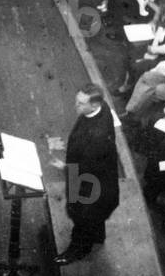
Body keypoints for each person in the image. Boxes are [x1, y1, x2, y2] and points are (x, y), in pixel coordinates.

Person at [50, 84, 119, 265]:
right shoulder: (102, 109)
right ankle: (97, 236)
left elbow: (88, 167)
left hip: (90, 183)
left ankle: (78, 249)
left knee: (81, 217)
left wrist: (64, 167)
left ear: (94, 105)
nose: (76, 105)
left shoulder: (98, 135)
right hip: (99, 176)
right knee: (94, 216)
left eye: (80, 103)